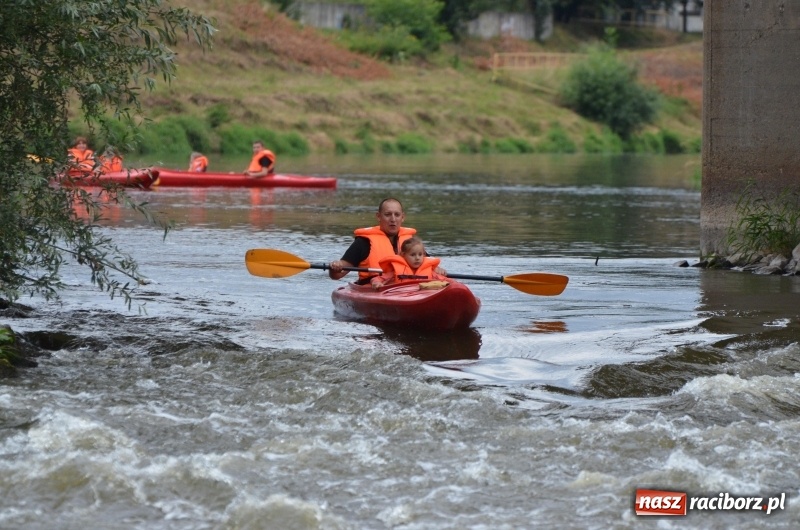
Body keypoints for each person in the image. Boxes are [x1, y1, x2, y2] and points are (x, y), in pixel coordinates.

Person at [328, 198, 445, 284]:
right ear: (379, 216)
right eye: (388, 215)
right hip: (374, 288)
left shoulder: (411, 242)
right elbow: (337, 275)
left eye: (397, 215)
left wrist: (437, 269)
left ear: (403, 217)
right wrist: (336, 267)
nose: (393, 219)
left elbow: (427, 263)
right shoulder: (363, 242)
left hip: (408, 288)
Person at [371, 236, 448, 290]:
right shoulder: (395, 272)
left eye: (420, 254)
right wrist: (376, 283)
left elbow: (447, 281)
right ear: (403, 255)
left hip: (422, 295)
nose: (417, 258)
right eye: (412, 255)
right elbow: (376, 279)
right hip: (401, 296)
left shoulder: (431, 272)